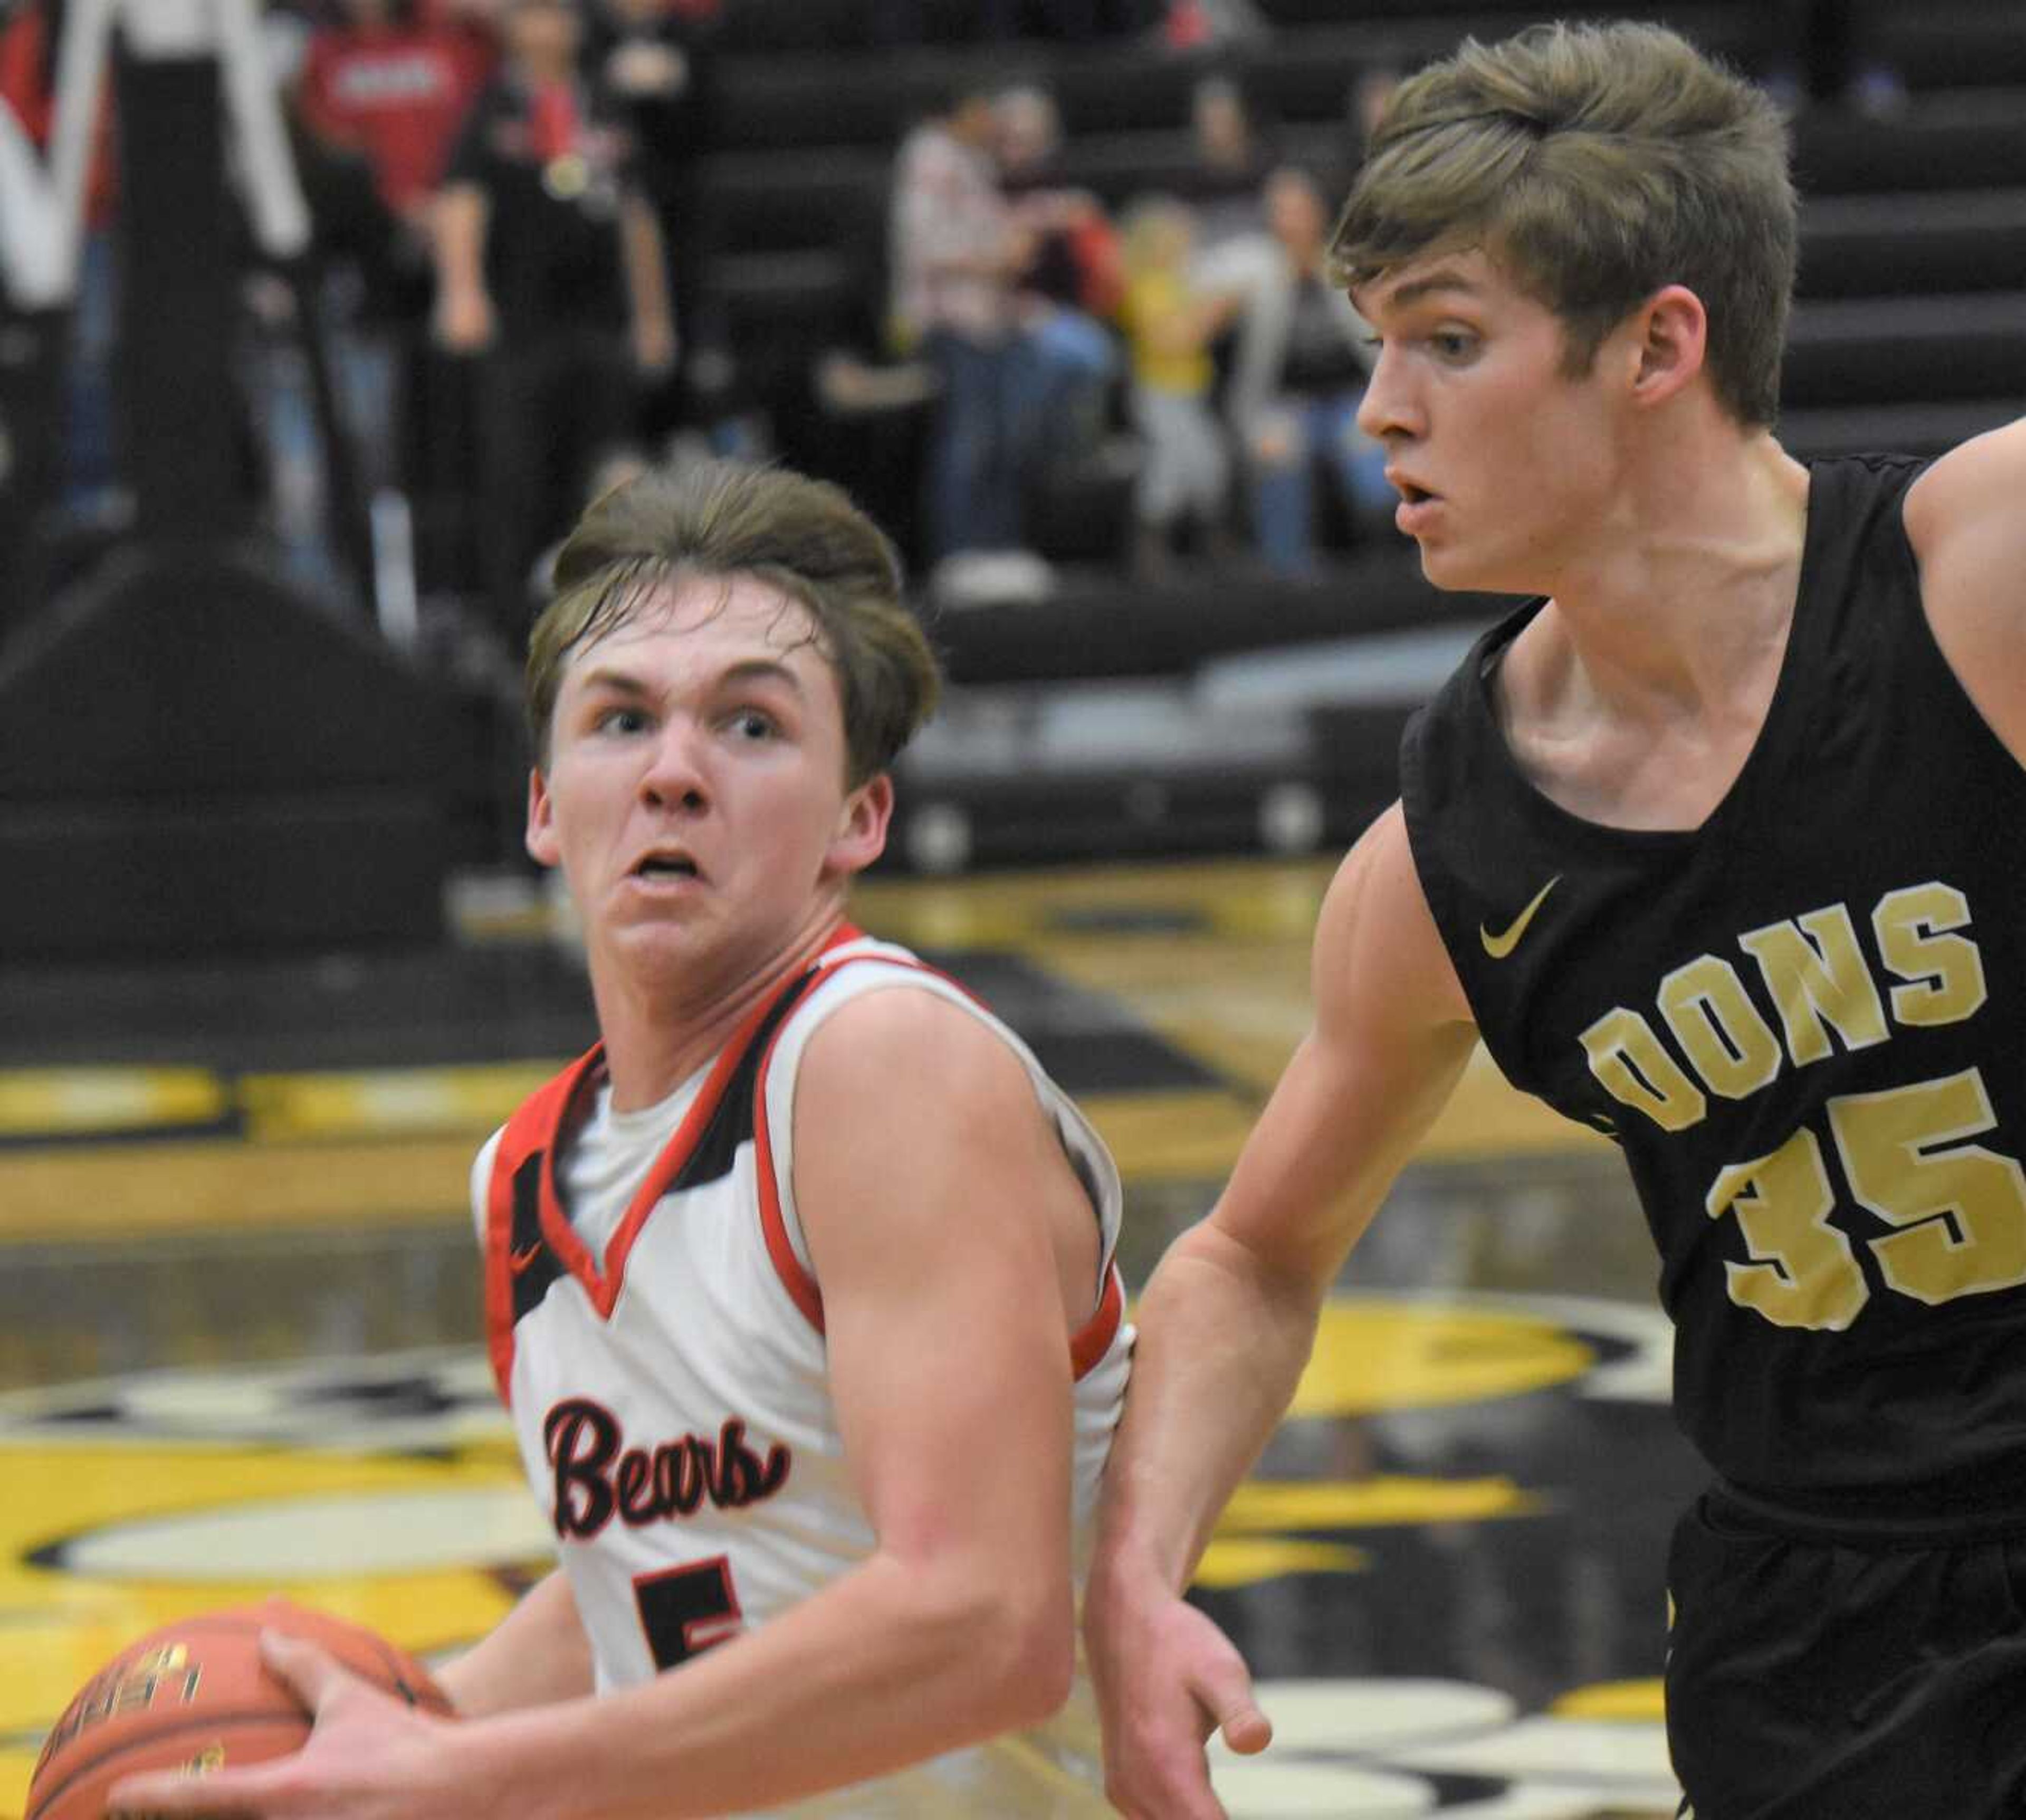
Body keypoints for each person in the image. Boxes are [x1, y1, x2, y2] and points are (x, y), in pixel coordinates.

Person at [1083, 18, 2026, 1819]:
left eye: (1448, 340)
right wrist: (1137, 1582)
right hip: (1814, 1625)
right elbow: (1254, 1257)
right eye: (1379, 347)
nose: (1379, 408)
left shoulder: (1977, 581)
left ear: (1660, 343)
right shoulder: (1449, 855)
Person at [108, 459, 1134, 1818]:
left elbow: (981, 1627)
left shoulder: (879, 1063)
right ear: (543, 805)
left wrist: (465, 1776)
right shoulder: (525, 1174)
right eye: (621, 719)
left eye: (752, 728)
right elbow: (675, 1570)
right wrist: (388, 1729)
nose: (673, 774)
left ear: (858, 818)